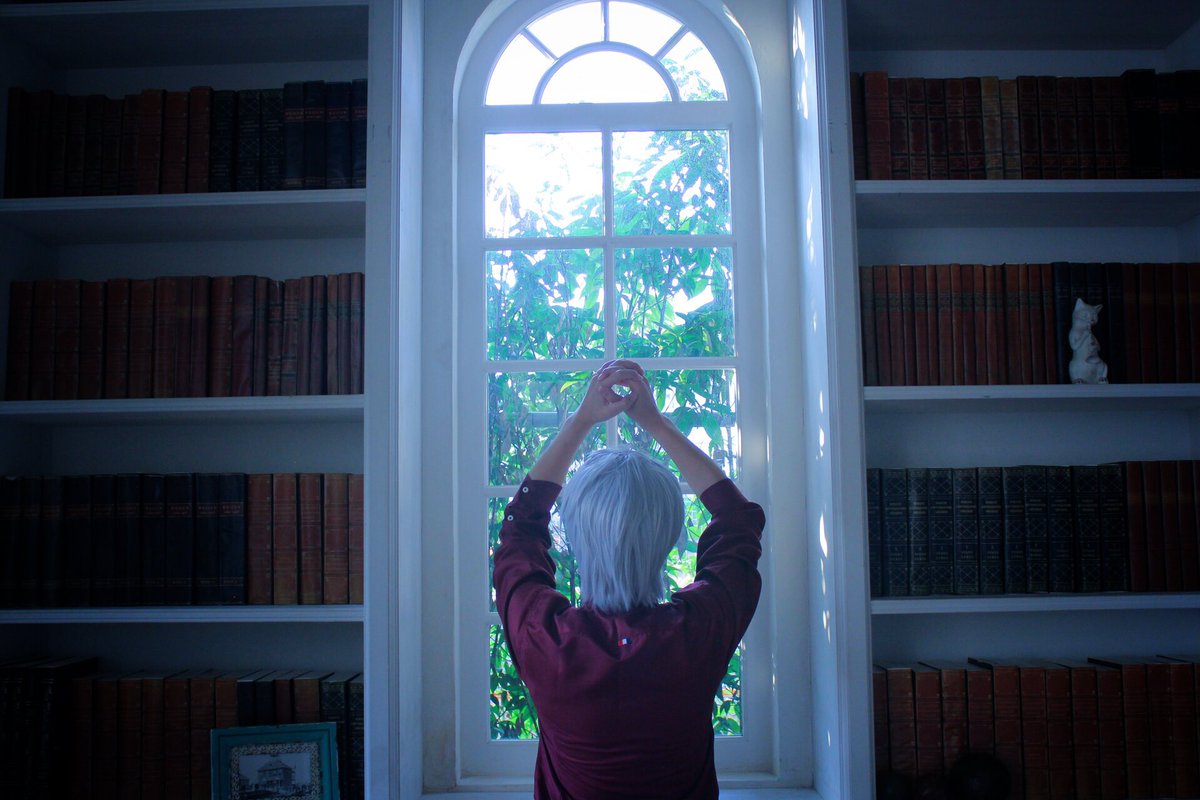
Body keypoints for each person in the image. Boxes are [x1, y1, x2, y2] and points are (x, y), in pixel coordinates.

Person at [492, 359, 765, 799]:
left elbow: (520, 525)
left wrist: (581, 421)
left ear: (575, 536)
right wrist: (655, 423)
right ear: (668, 535)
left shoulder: (543, 638)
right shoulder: (698, 632)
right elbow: (738, 518)